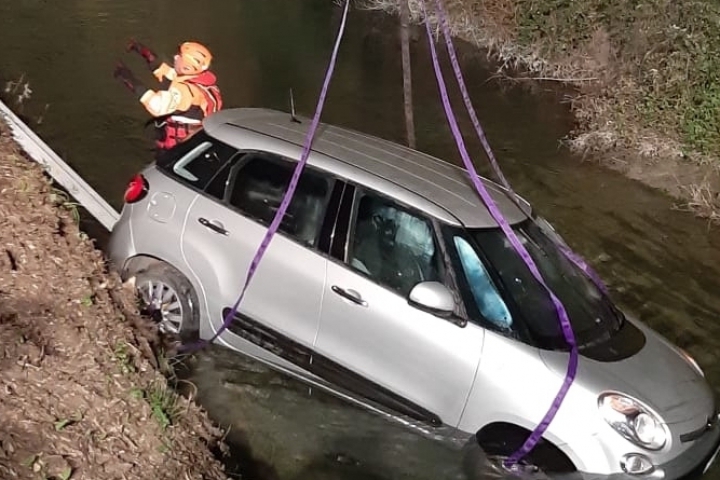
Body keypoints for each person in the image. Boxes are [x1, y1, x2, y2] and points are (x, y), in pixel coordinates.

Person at [113, 40, 223, 152]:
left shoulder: (184, 92)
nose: (175, 57)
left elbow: (157, 106)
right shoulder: (206, 85)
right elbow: (164, 71)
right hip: (199, 141)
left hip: (178, 149)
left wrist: (127, 78)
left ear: (187, 68)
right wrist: (142, 50)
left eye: (179, 56)